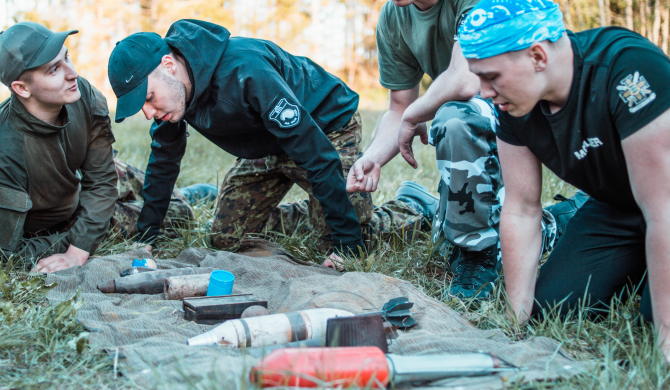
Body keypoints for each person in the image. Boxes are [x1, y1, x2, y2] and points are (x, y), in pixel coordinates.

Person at [459, 0, 670, 363]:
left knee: (657, 318)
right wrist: (516, 322)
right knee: (555, 307)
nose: (483, 91)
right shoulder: (512, 106)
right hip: (616, 206)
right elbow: (522, 208)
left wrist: (669, 348)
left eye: (491, 76)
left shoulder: (627, 69)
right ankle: (641, 263)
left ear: (538, 55)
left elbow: (666, 211)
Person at [107, 19, 437, 268]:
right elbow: (163, 163)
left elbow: (318, 156)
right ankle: (315, 213)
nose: (149, 112)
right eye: (142, 107)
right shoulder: (174, 99)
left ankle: (412, 207)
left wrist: (348, 246)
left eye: (149, 98)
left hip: (324, 129)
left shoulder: (245, 72)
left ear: (168, 65)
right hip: (266, 145)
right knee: (226, 239)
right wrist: (146, 237)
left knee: (341, 242)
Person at [348, 0, 522, 299]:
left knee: (452, 118)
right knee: (450, 120)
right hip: (482, 118)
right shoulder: (393, 19)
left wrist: (415, 114)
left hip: (529, 110)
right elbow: (398, 108)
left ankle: (478, 256)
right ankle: (452, 221)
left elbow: (465, 79)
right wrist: (373, 157)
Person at [0, 22, 211, 273]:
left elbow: (101, 178)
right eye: (54, 69)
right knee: (178, 214)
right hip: (64, 218)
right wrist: (78, 242)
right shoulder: (0, 152)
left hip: (88, 180)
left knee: (119, 174)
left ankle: (170, 192)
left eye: (67, 58)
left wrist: (80, 248)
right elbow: (1, 255)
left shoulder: (81, 93)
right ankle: (186, 196)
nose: (72, 73)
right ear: (22, 88)